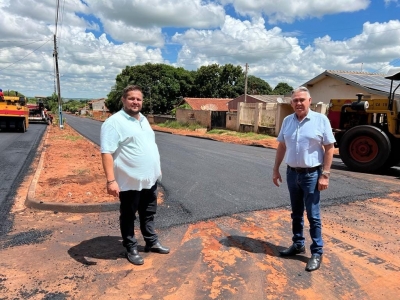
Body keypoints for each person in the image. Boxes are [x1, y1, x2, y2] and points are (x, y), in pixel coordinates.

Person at [100, 85, 169, 266]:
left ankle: (151, 241)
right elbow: (106, 152)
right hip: (128, 182)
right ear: (123, 100)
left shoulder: (143, 119)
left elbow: (149, 146)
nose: (135, 102)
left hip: (149, 179)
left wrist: (157, 170)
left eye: (138, 99)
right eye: (131, 98)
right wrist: (110, 181)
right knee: (129, 215)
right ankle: (130, 246)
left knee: (148, 213)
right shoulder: (113, 122)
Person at [272, 86, 335, 272]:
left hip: (312, 175)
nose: (298, 103)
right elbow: (282, 146)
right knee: (296, 213)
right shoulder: (287, 121)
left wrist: (325, 174)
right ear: (291, 103)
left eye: (302, 100)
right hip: (292, 173)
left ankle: (317, 252)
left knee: (313, 215)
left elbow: (330, 148)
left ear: (310, 101)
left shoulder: (320, 120)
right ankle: (298, 244)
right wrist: (275, 169)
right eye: (295, 100)